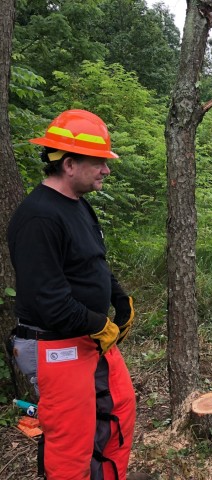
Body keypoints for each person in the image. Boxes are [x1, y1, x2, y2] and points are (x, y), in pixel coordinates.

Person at [7, 109, 136, 479]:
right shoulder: (39, 218)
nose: (106, 170)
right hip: (55, 345)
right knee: (70, 442)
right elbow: (50, 300)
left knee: (119, 409)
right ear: (69, 164)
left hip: (88, 337)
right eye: (99, 163)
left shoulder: (78, 205)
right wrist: (100, 325)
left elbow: (91, 262)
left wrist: (119, 298)